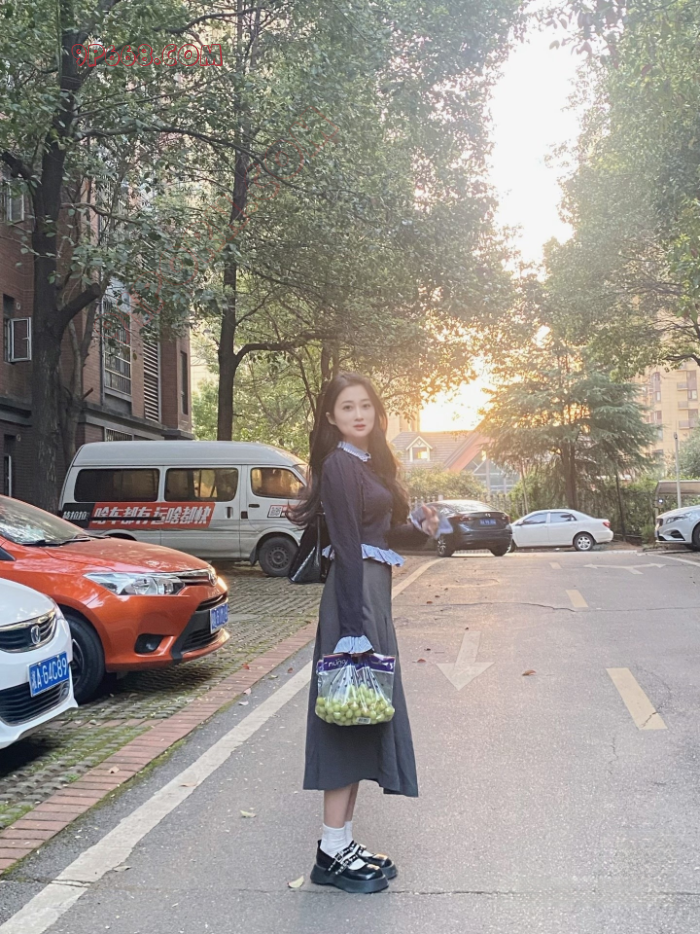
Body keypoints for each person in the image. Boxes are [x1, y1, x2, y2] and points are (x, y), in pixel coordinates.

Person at [288, 371, 441, 894]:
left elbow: (378, 536)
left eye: (365, 406)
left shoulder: (366, 463)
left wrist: (417, 528)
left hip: (370, 599)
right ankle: (331, 850)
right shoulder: (338, 465)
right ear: (332, 417)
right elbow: (349, 547)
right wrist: (353, 629)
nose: (358, 414)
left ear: (376, 413)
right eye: (347, 407)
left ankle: (342, 842)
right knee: (344, 721)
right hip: (353, 605)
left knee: (360, 714)